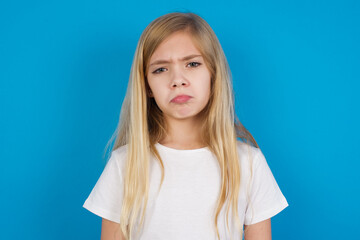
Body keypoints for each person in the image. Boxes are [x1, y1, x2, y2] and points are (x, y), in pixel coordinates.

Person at [83, 11, 289, 240]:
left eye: (192, 64)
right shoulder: (126, 163)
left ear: (213, 74)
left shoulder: (248, 163)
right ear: (147, 86)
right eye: (160, 69)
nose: (178, 80)